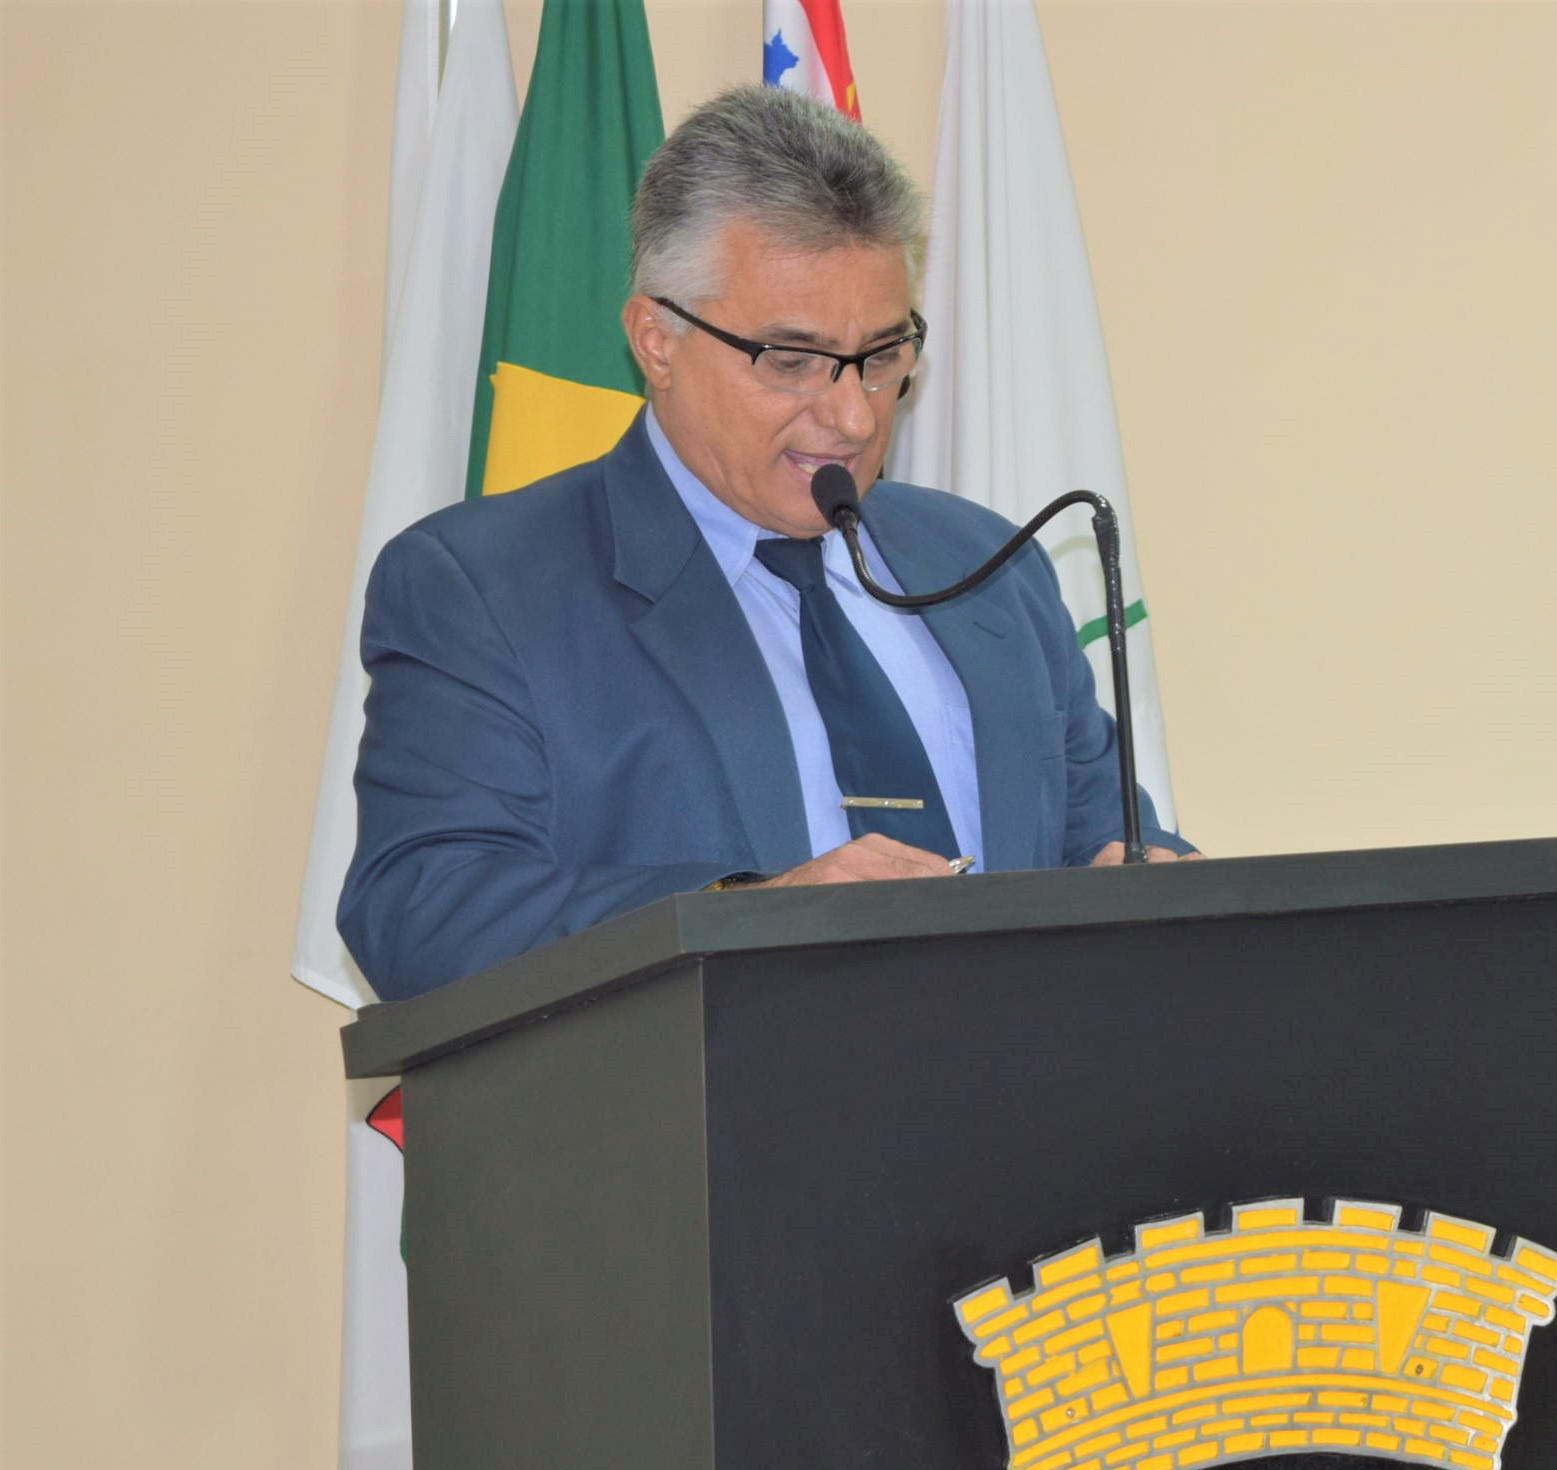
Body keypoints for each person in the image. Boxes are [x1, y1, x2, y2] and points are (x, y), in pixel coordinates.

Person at [340, 87, 1188, 1001]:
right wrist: (747, 914)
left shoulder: (985, 561)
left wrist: (1151, 886)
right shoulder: (485, 586)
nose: (853, 416)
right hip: (705, 1088)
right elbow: (422, 912)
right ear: (656, 341)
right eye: (791, 361)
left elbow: (1102, 837)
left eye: (882, 356)